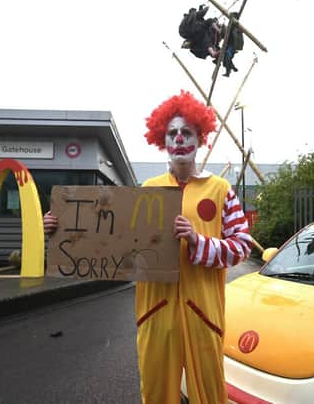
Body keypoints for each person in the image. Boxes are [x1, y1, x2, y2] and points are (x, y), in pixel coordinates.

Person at [43, 91, 252, 403]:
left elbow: (242, 247)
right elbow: (111, 242)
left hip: (203, 314)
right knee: (155, 393)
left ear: (201, 138)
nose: (179, 139)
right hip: (156, 312)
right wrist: (62, 232)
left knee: (209, 395)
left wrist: (198, 241)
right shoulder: (146, 191)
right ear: (162, 140)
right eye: (172, 133)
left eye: (187, 132)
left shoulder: (222, 190)